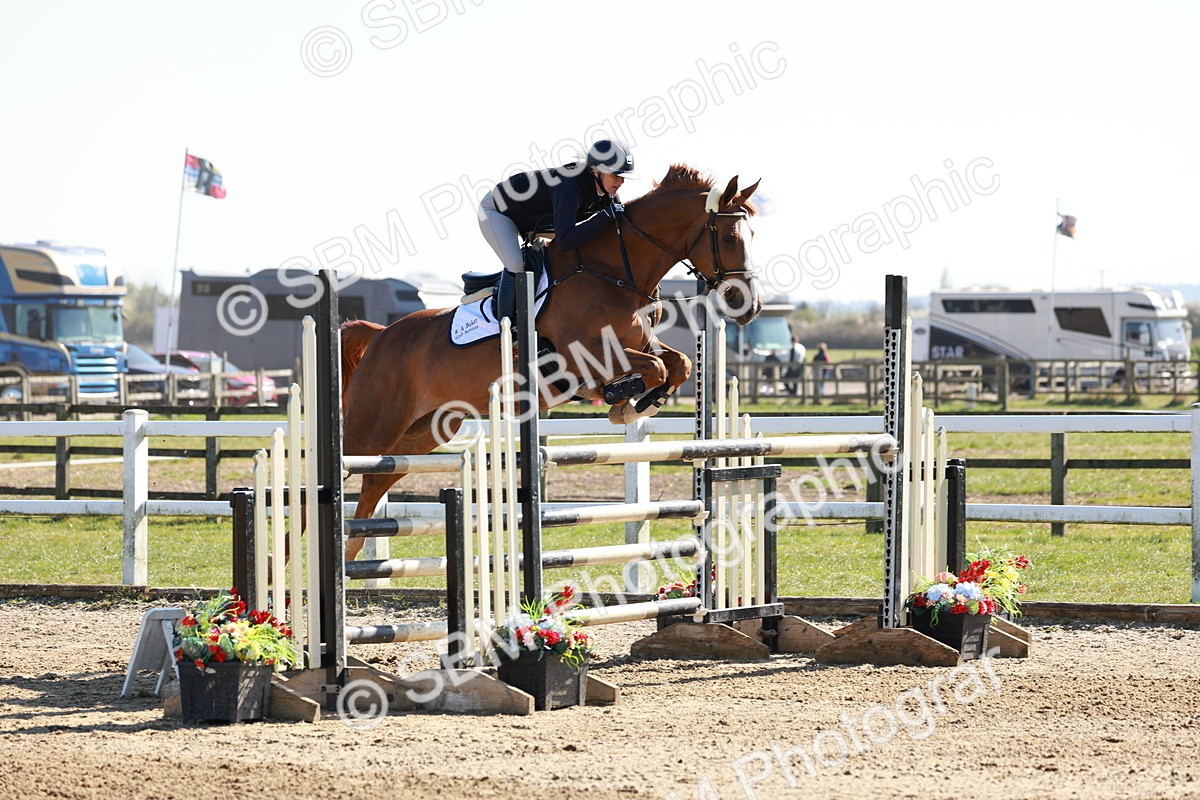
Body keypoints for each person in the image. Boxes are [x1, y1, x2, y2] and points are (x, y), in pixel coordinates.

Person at [477, 139, 636, 319]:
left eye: (623, 176)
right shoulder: (571, 185)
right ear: (598, 170)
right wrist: (603, 217)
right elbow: (565, 240)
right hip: (497, 212)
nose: (621, 181)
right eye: (616, 175)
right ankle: (506, 330)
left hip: (535, 219)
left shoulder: (608, 191)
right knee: (515, 264)